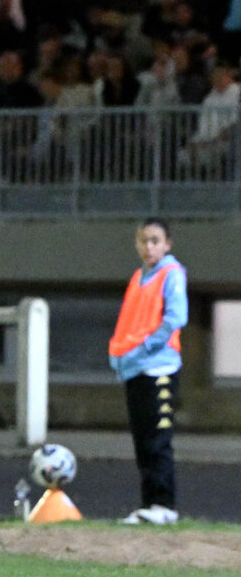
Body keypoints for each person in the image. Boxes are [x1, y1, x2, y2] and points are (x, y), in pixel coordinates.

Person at [109, 218, 187, 526]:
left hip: (159, 369)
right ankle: (149, 505)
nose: (148, 246)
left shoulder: (171, 273)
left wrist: (144, 347)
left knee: (157, 439)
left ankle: (164, 505)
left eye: (155, 240)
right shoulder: (139, 276)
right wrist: (120, 354)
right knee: (143, 440)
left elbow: (175, 318)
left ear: (167, 244)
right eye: (143, 240)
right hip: (135, 369)